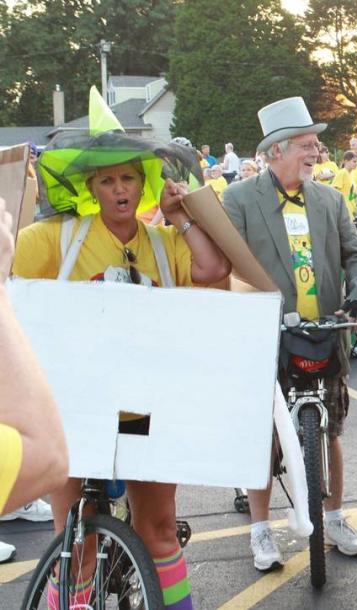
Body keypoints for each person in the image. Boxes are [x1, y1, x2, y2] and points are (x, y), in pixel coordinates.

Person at [15, 88, 231, 609]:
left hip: (140, 406)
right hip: (72, 407)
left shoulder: (163, 241)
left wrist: (180, 216)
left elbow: (213, 271)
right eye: (107, 179)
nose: (119, 188)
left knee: (157, 529)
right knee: (76, 535)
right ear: (93, 186)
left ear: (143, 184)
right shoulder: (54, 238)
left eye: (129, 177)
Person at [223, 96, 357, 572]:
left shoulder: (330, 199)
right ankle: (260, 530)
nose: (316, 152)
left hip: (326, 330)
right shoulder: (239, 198)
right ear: (275, 152)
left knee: (329, 429)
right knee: (264, 437)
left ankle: (334, 519)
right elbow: (225, 264)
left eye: (316, 145)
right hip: (267, 334)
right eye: (307, 145)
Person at [0, 197, 70, 565]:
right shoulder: (44, 235)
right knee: (72, 538)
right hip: (55, 417)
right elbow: (46, 457)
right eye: (106, 179)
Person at [332, 151, 357, 215]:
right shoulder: (342, 173)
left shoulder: (350, 174)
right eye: (354, 161)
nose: (356, 164)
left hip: (351, 210)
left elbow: (351, 194)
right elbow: (334, 191)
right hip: (344, 210)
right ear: (346, 161)